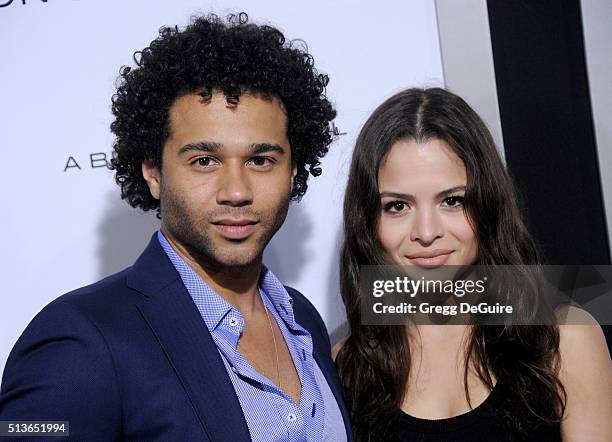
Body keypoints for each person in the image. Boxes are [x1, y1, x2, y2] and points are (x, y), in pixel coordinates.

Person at [0, 13, 351, 441]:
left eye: (261, 160)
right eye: (205, 161)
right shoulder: (81, 342)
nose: (236, 191)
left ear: (293, 170)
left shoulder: (303, 319)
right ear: (153, 170)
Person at [334, 87, 612, 441]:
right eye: (397, 206)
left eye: (452, 201)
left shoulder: (563, 338)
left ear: (488, 206)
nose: (426, 232)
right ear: (368, 222)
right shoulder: (349, 365)